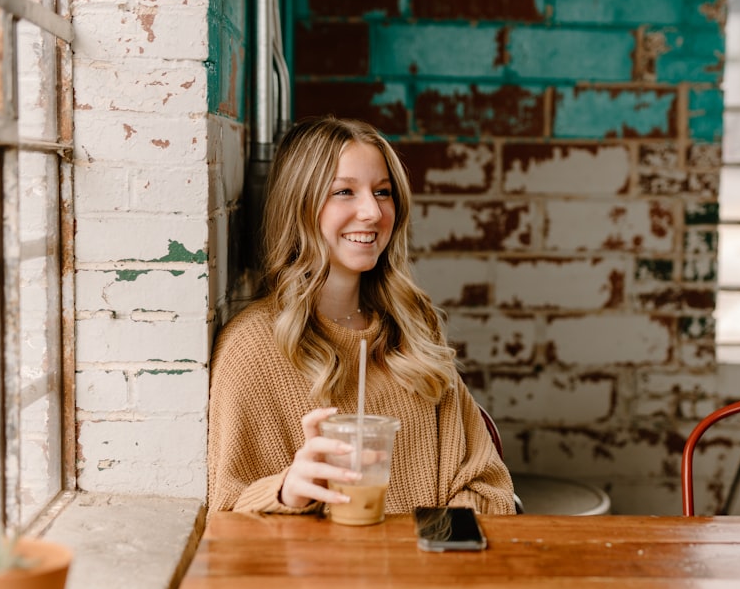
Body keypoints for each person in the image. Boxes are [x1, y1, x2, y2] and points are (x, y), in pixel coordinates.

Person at [207, 116, 516, 516]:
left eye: (383, 192)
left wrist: (434, 550)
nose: (371, 211)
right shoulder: (251, 349)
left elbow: (486, 483)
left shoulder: (413, 327)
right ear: (299, 206)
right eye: (344, 192)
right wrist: (285, 492)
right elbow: (227, 515)